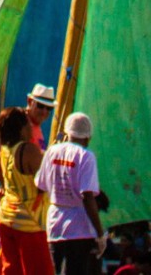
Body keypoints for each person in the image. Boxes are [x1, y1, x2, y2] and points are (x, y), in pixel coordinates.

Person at [36, 112, 103, 275]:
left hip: (54, 224)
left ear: (67, 132)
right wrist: (100, 233)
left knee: (53, 270)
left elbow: (40, 186)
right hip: (79, 228)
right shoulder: (86, 156)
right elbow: (87, 197)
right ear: (88, 137)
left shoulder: (51, 152)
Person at [0, 106, 51, 275]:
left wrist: (6, 189)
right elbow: (45, 183)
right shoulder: (28, 150)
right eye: (28, 124)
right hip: (30, 222)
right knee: (39, 270)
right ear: (22, 128)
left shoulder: (5, 150)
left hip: (6, 217)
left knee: (11, 269)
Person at [25, 84, 56, 149]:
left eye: (49, 108)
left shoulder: (37, 127)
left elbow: (42, 149)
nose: (44, 112)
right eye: (40, 106)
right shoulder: (21, 124)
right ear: (29, 101)